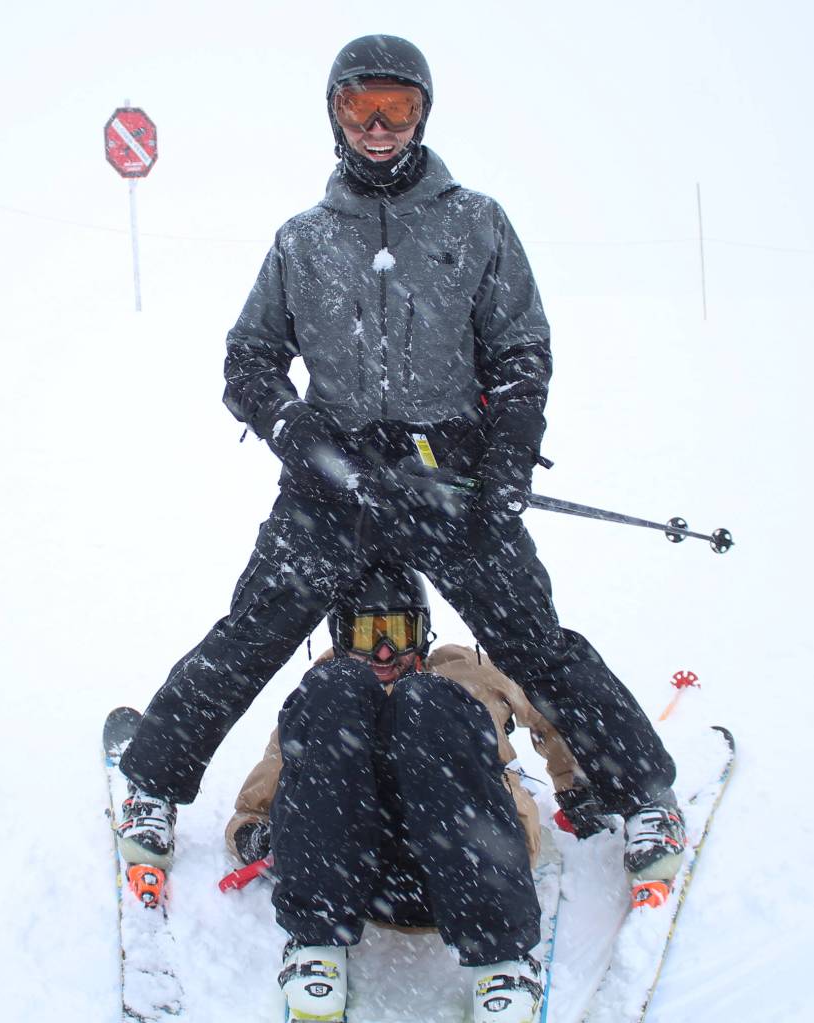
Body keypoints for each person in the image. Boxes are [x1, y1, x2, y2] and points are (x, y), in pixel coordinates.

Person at [116, 33, 685, 905]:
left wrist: (503, 461)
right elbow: (249, 361)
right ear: (334, 113)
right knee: (254, 632)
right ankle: (153, 785)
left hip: (447, 478)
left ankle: (641, 794)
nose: (378, 126)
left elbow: (520, 350)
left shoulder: (475, 221)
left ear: (423, 113)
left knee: (532, 640)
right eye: (359, 106)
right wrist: (301, 434)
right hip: (331, 482)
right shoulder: (302, 240)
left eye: (398, 107)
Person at [225, 563, 590, 1023]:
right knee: (336, 686)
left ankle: (502, 960)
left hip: (476, 858)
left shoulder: (465, 670)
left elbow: (553, 708)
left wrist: (578, 786)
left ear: (423, 631)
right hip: (361, 879)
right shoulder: (330, 691)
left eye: (398, 632)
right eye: (366, 635)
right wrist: (256, 835)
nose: (383, 651)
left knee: (425, 699)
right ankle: (317, 943)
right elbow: (272, 785)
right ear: (341, 636)